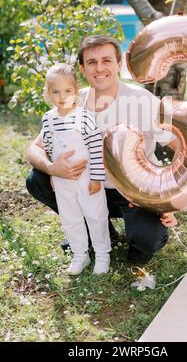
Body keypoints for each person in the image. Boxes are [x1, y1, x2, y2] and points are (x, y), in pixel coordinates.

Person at [26, 36, 177, 265]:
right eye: (92, 62)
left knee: (147, 239)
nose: (99, 68)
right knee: (36, 179)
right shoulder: (73, 100)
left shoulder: (141, 100)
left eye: (106, 60)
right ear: (83, 69)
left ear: (119, 65)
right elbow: (34, 148)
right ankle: (92, 230)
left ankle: (136, 242)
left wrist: (169, 201)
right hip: (88, 188)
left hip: (133, 195)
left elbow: (179, 147)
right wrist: (52, 168)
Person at [41, 63, 111, 275]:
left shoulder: (85, 117)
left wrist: (97, 178)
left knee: (95, 215)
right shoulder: (48, 119)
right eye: (56, 91)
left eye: (68, 91)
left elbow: (96, 147)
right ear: (48, 92)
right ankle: (80, 254)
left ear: (75, 91)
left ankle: (102, 253)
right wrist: (53, 172)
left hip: (87, 177)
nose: (62, 96)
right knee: (70, 217)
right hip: (63, 180)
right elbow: (50, 147)